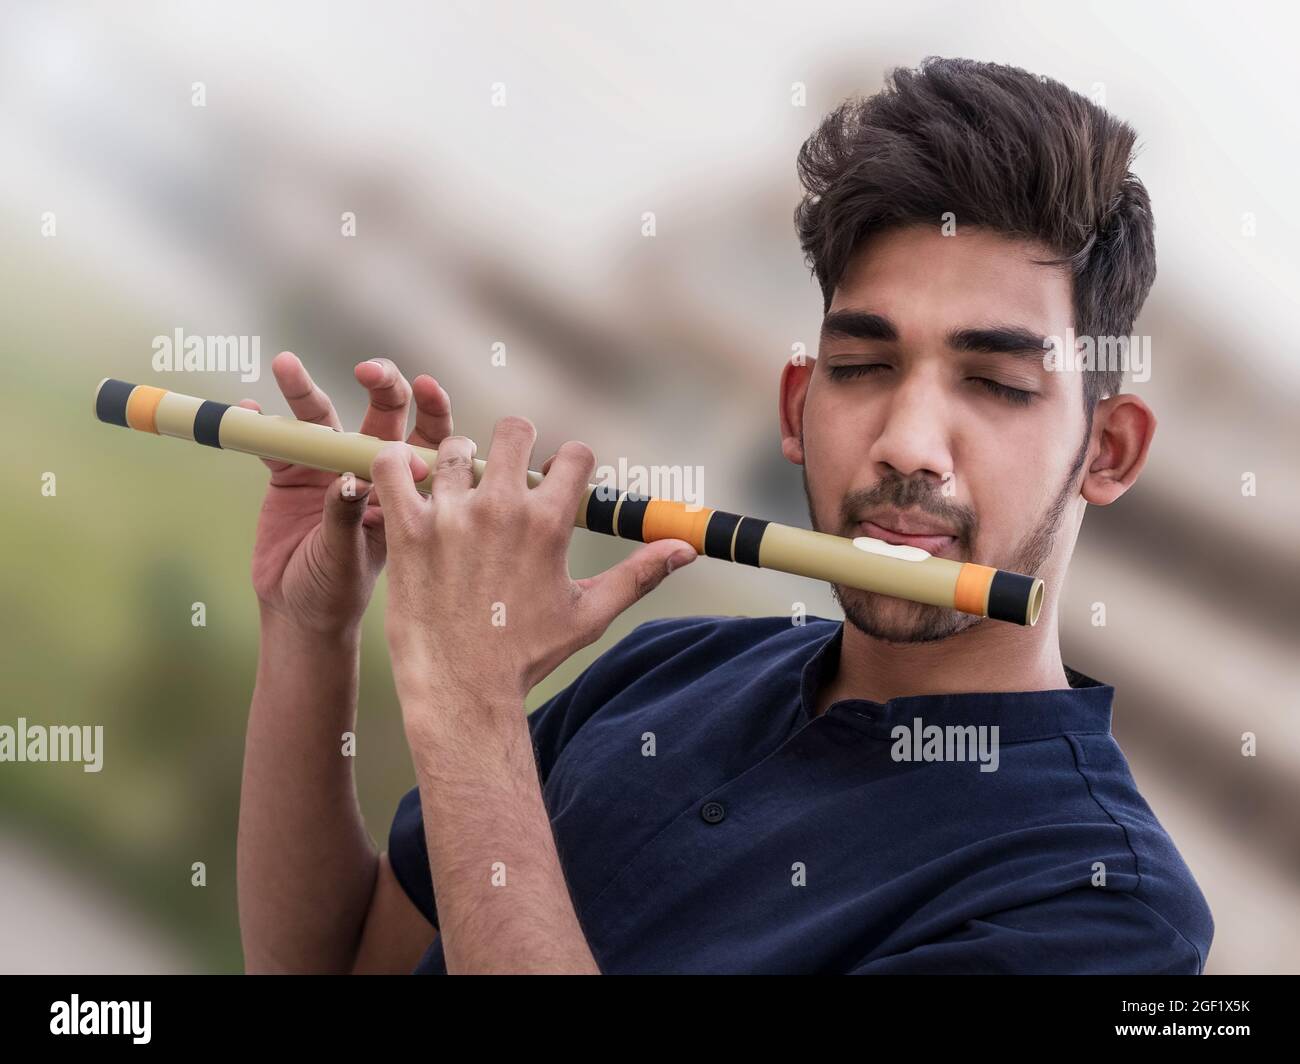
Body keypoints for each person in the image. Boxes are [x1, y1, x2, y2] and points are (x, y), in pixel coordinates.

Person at [236, 57, 1213, 974]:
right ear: (796, 407)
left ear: (1108, 448)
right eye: (864, 366)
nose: (908, 442)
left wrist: (467, 710)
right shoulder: (663, 671)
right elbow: (341, 960)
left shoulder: (1105, 907)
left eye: (995, 382)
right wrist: (309, 627)